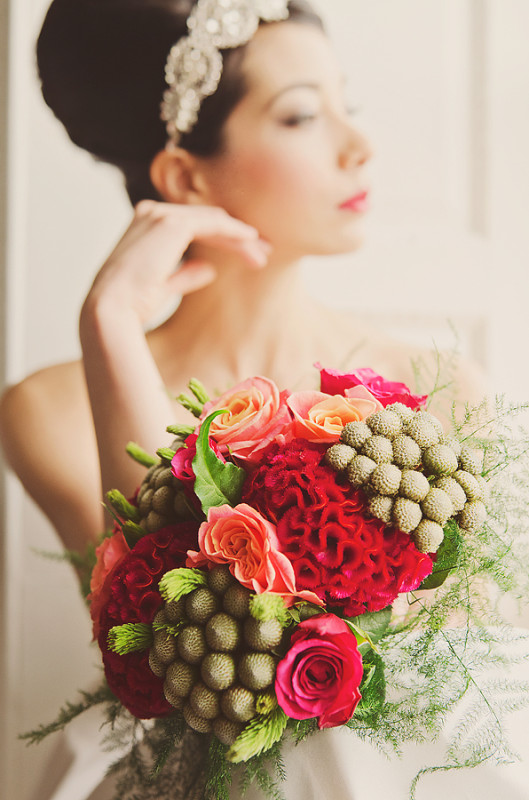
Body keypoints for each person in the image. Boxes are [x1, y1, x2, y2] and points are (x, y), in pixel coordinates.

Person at [3, 1, 522, 799]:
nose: (359, 147)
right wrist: (109, 329)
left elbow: (480, 680)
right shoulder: (54, 406)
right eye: (302, 116)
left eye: (349, 105)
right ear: (185, 175)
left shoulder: (443, 386)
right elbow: (151, 652)